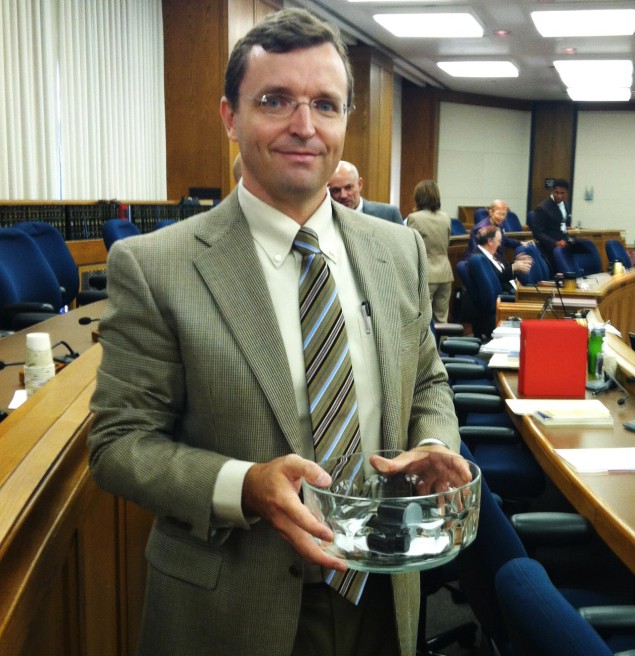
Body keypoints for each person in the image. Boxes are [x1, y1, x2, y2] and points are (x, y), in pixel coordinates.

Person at [86, 8, 466, 656]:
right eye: (275, 101)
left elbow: (426, 375)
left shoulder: (396, 251)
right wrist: (245, 486)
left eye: (325, 104)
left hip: (383, 592)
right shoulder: (155, 267)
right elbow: (119, 445)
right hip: (233, 607)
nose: (304, 126)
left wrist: (433, 443)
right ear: (230, 117)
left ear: (346, 120)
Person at [405, 180, 454, 323]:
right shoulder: (446, 217)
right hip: (445, 273)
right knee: (442, 318)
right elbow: (448, 241)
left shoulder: (414, 218)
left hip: (426, 273)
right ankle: (444, 345)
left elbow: (410, 245)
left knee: (424, 320)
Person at [328, 160, 404, 224]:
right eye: (336, 190)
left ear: (360, 184)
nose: (343, 195)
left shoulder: (388, 215)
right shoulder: (326, 219)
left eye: (348, 188)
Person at [473, 225, 532, 291]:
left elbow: (504, 270)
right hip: (505, 298)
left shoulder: (494, 253)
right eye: (499, 241)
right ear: (490, 241)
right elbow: (493, 281)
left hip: (514, 292)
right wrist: (513, 267)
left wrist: (517, 264)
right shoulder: (478, 259)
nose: (500, 244)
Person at [531, 178, 573, 269]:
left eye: (562, 193)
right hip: (549, 249)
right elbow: (537, 233)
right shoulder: (542, 208)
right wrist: (555, 243)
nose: (559, 196)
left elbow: (564, 223)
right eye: (556, 192)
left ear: (567, 193)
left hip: (564, 246)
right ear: (552, 191)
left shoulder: (566, 204)